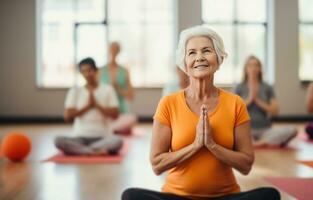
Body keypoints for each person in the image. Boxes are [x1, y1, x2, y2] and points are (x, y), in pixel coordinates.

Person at [122, 26, 280, 200]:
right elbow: (157, 164)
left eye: (206, 51)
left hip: (224, 197)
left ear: (219, 59)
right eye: (191, 53)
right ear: (185, 64)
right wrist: (196, 145)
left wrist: (212, 145)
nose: (199, 57)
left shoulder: (235, 103)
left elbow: (246, 164)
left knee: (270, 195)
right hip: (178, 197)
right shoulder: (169, 103)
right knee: (131, 196)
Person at [55, 58, 123, 155]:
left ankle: (84, 150)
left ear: (96, 70)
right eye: (83, 71)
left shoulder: (108, 89)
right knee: (58, 140)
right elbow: (67, 117)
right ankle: (93, 151)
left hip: (102, 137)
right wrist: (87, 106)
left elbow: (115, 114)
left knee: (118, 141)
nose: (87, 74)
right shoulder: (75, 91)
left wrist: (96, 105)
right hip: (79, 137)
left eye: (89, 70)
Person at [234, 56, 297, 147]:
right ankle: (259, 142)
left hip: (265, 130)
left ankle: (260, 142)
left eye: (256, 66)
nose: (253, 69)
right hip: (245, 130)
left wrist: (257, 100)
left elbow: (275, 111)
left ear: (260, 69)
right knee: (228, 133)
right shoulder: (239, 87)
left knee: (293, 130)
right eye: (250, 66)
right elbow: (233, 111)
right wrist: (250, 99)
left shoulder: (267, 87)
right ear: (246, 69)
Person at [100, 42, 137, 135]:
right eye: (111, 49)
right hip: (106, 112)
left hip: (121, 113)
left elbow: (131, 96)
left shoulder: (124, 71)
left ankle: (110, 129)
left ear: (118, 52)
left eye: (115, 50)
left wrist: (118, 88)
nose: (113, 52)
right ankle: (115, 129)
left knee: (132, 119)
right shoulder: (100, 71)